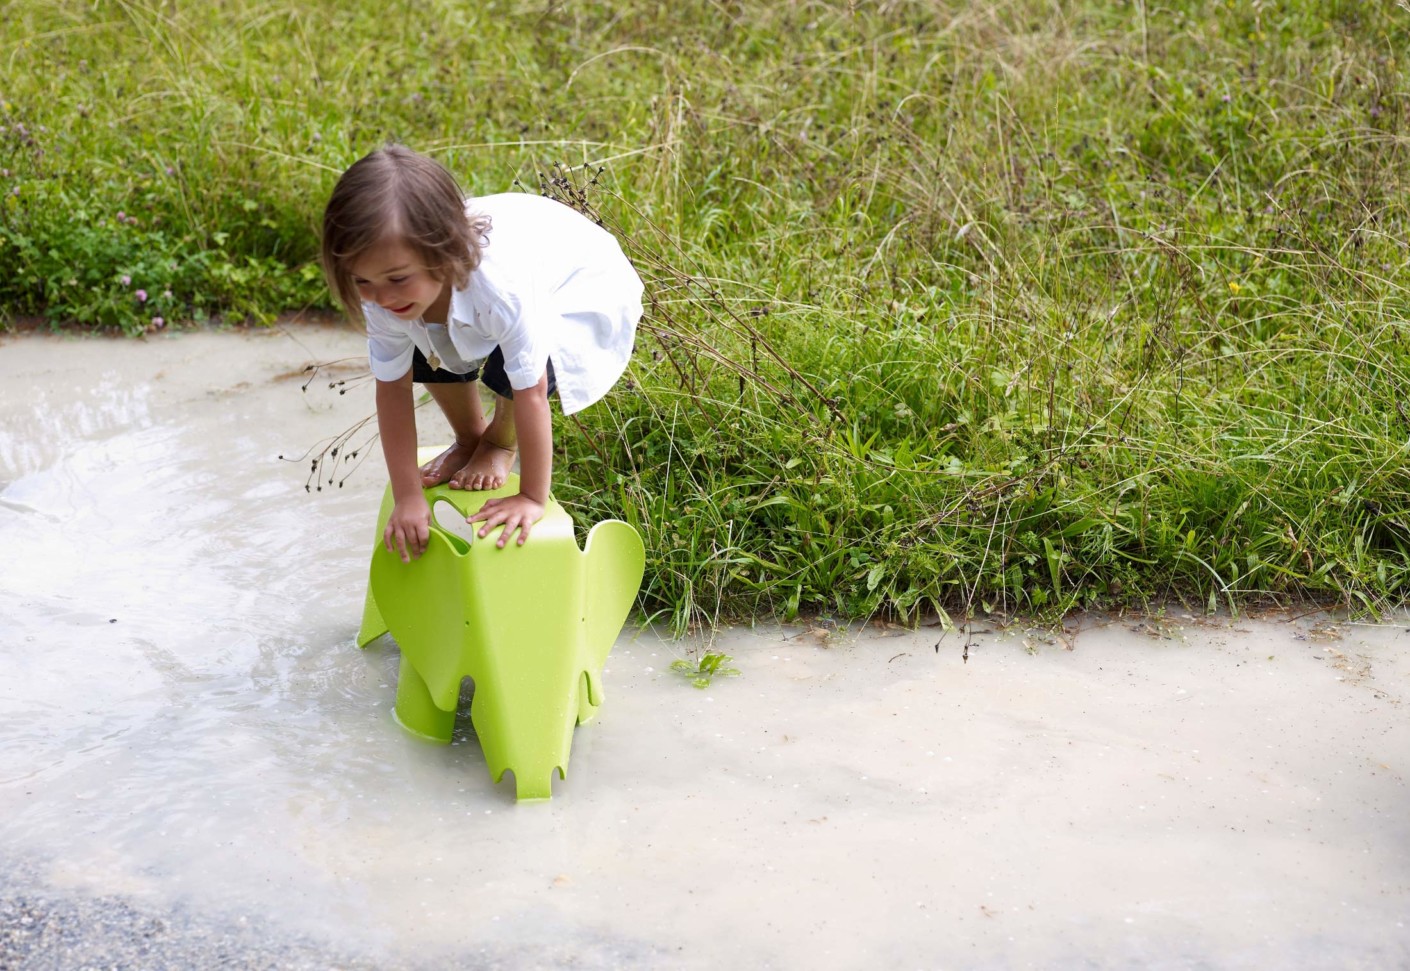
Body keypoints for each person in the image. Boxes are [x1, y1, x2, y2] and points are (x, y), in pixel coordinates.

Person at [320, 145, 642, 559]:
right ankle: (471, 438)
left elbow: (531, 389)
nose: (381, 297)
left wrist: (531, 497)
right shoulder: (387, 291)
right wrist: (408, 496)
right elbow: (392, 389)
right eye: (362, 282)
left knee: (519, 363)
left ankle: (500, 443)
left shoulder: (499, 290)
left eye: (397, 279)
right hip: (489, 284)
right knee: (422, 340)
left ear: (443, 251)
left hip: (578, 284)